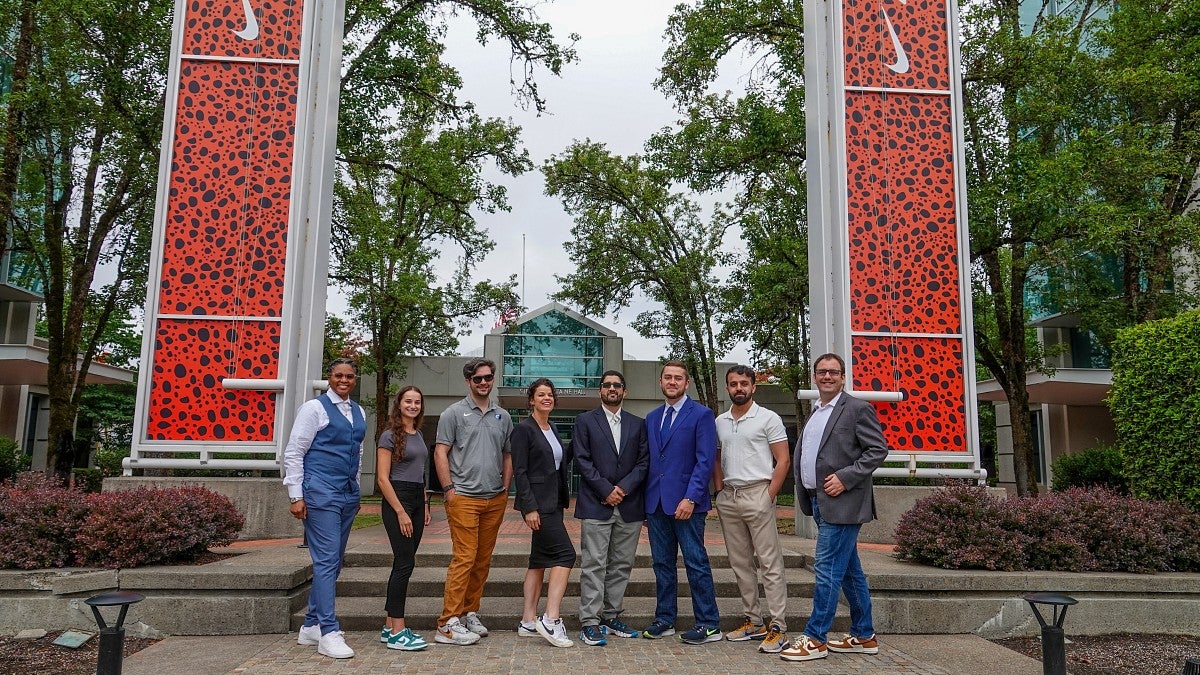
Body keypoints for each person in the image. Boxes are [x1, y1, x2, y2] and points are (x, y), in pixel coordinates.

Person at [781, 353, 888, 662]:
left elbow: (878, 449)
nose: (827, 376)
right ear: (815, 377)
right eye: (821, 372)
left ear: (843, 377)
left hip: (844, 502)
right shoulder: (816, 412)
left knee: (826, 569)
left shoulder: (856, 408)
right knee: (849, 572)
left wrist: (845, 477)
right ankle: (864, 635)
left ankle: (815, 638)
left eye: (833, 372)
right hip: (818, 501)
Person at [283, 358, 365, 659]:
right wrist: (295, 495)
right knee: (327, 560)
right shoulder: (314, 408)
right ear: (329, 377)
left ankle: (310, 625)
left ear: (355, 379)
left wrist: (355, 491)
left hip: (346, 495)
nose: (344, 380)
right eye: (338, 375)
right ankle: (329, 631)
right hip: (319, 492)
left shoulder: (358, 411)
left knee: (335, 561)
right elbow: (294, 452)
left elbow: (357, 451)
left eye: (349, 376)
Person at [432, 358, 513, 646]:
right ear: (468, 381)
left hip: (494, 498)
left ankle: (469, 612)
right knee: (464, 557)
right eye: (477, 379)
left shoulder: (502, 416)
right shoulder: (452, 413)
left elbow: (507, 454)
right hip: (463, 496)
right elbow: (441, 452)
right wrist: (448, 488)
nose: (483, 383)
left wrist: (505, 487)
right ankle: (447, 622)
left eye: (488, 377)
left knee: (482, 560)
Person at [641, 360, 722, 645]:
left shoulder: (701, 414)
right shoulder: (651, 418)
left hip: (688, 504)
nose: (672, 382)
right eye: (668, 378)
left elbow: (705, 460)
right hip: (656, 505)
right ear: (661, 382)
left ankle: (709, 623)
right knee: (662, 564)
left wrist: (691, 497)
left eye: (678, 378)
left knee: (696, 563)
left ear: (686, 383)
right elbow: (650, 462)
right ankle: (665, 619)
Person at [713, 365, 792, 654]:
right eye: (733, 384)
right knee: (740, 562)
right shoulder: (720, 421)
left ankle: (778, 626)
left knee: (769, 562)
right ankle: (754, 620)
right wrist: (720, 489)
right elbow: (717, 456)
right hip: (729, 497)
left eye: (743, 383)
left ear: (753, 387)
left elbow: (783, 460)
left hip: (757, 492)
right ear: (727, 387)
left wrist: (769, 494)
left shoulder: (768, 418)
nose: (738, 388)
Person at [571, 370, 649, 646]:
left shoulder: (638, 424)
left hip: (629, 506)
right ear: (600, 391)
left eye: (617, 385)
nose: (612, 389)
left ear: (624, 391)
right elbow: (581, 459)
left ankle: (611, 616)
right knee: (594, 564)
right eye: (607, 385)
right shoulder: (584, 421)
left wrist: (623, 489)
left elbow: (643, 463)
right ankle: (590, 621)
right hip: (596, 504)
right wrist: (606, 490)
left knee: (621, 564)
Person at [512, 378, 577, 648]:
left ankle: (528, 621)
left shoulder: (553, 428)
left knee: (538, 560)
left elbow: (558, 463)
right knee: (566, 555)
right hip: (539, 505)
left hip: (554, 503)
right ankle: (551, 620)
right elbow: (520, 471)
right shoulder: (524, 430)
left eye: (550, 395)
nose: (546, 398)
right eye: (541, 395)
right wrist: (529, 507)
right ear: (531, 400)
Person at [375, 385, 431, 651]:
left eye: (417, 402)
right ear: (399, 404)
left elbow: (420, 473)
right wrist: (400, 511)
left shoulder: (418, 434)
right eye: (408, 401)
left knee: (404, 562)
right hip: (397, 498)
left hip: (417, 499)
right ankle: (398, 630)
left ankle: (389, 627)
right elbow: (382, 479)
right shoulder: (388, 436)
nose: (413, 406)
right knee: (404, 564)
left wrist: (425, 504)